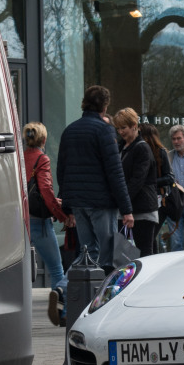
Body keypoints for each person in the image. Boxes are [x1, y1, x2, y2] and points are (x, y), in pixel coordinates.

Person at [55, 85, 134, 274]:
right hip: (101, 202)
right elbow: (115, 172)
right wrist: (127, 209)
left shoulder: (70, 131)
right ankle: (102, 299)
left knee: (87, 253)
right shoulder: (104, 131)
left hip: (78, 203)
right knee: (106, 256)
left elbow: (62, 170)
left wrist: (67, 207)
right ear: (105, 107)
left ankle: (69, 293)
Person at [23, 122, 75, 326]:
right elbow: (45, 190)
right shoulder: (41, 159)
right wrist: (62, 215)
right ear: (44, 140)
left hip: (20, 220)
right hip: (39, 221)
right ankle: (62, 313)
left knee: (22, 270)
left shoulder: (18, 157)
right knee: (56, 268)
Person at [113, 108, 159, 258]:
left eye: (123, 127)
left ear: (134, 125)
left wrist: (123, 203)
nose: (120, 131)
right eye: (118, 128)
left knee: (145, 254)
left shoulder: (142, 148)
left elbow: (137, 181)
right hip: (126, 209)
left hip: (142, 209)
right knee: (123, 255)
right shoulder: (121, 147)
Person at [141, 122, 175, 250]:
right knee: (147, 236)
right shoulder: (138, 152)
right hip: (144, 200)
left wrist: (151, 182)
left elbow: (170, 178)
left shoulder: (160, 152)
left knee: (150, 235)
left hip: (158, 200)